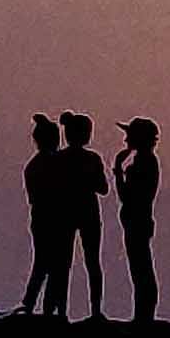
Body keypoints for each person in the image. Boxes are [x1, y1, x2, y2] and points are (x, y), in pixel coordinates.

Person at [59, 111, 109, 320]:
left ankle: (61, 311)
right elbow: (103, 188)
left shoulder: (60, 159)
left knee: (63, 263)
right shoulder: (93, 158)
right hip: (88, 212)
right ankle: (96, 311)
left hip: (65, 212)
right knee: (92, 263)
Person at [114, 117, 161, 325]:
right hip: (138, 220)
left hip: (136, 221)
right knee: (141, 268)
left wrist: (117, 169)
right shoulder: (147, 161)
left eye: (130, 135)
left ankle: (143, 317)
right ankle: (143, 315)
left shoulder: (144, 163)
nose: (126, 139)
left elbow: (126, 195)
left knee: (140, 269)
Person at [19, 113, 68, 317]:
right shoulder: (54, 163)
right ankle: (45, 307)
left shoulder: (33, 165)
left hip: (40, 219)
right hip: (52, 219)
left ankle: (32, 304)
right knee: (53, 264)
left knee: (43, 263)